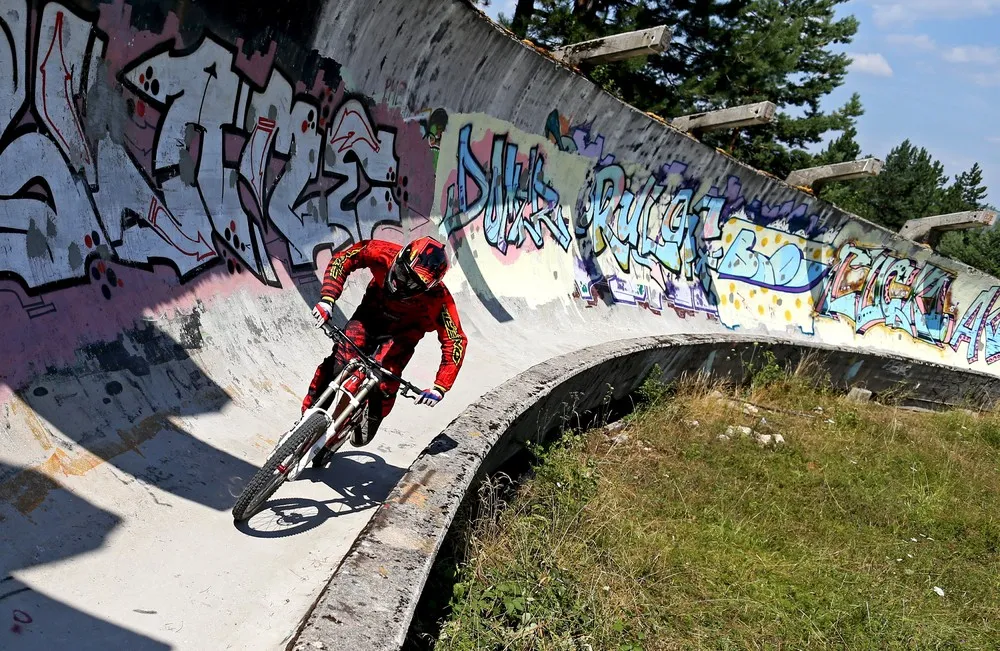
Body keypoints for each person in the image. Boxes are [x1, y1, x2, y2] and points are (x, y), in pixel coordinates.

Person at [303, 235, 468, 448]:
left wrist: (440, 387)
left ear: (430, 286)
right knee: (337, 362)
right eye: (403, 274)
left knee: (384, 380)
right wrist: (328, 299)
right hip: (371, 314)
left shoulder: (439, 298)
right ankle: (307, 419)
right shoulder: (380, 251)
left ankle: (374, 416)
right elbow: (344, 259)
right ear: (399, 258)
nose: (402, 285)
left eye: (414, 285)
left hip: (404, 333)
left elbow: (454, 340)